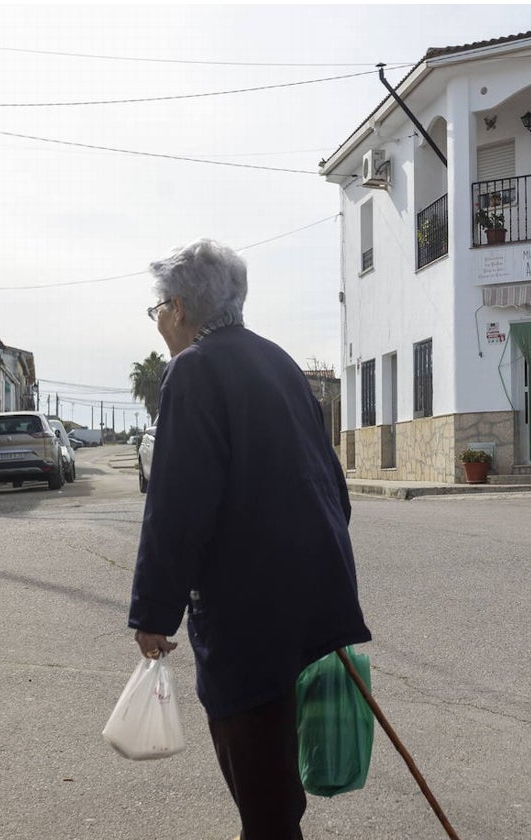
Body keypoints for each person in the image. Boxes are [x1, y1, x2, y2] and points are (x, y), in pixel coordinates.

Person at [128, 238, 371, 840]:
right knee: (277, 792)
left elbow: (177, 506)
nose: (158, 319)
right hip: (312, 608)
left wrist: (153, 613)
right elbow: (333, 492)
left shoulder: (193, 370)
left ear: (180, 308)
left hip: (248, 619)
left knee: (264, 800)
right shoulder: (279, 362)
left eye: (157, 306)